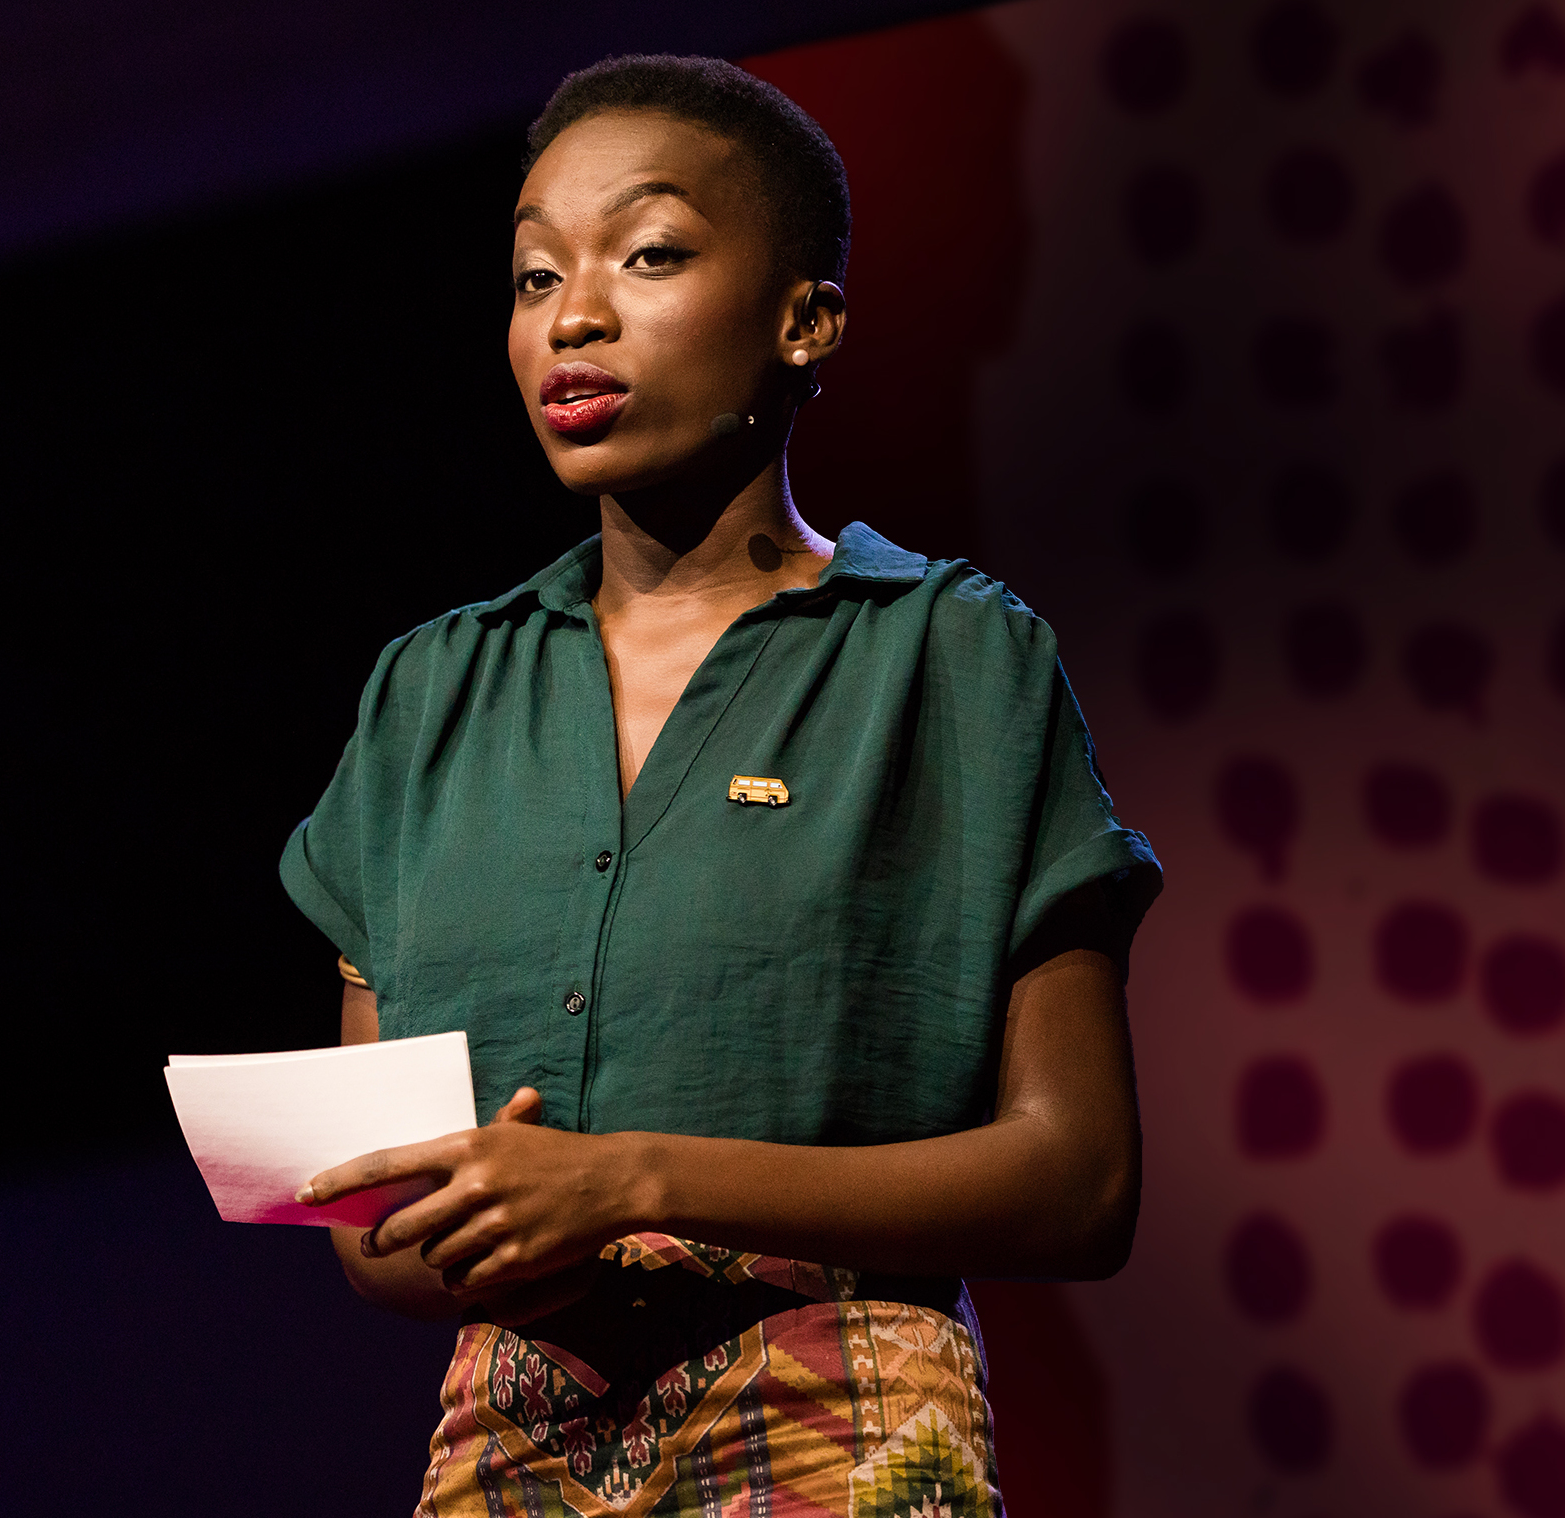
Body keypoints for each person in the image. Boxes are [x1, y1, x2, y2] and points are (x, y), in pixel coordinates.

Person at [280, 54, 1160, 1518]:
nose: (576, 313)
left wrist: (630, 1180)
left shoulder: (951, 659)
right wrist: (480, 1227)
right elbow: (371, 1239)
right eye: (533, 274)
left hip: (835, 1427)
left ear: (804, 319)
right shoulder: (428, 696)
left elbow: (1077, 1181)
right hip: (509, 1457)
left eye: (651, 253)